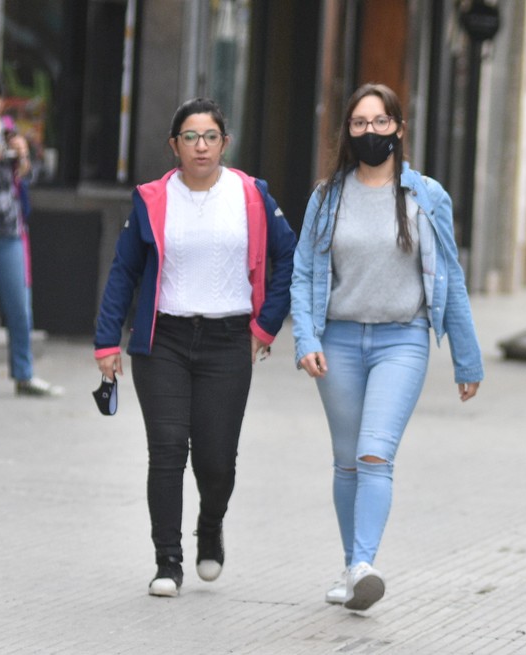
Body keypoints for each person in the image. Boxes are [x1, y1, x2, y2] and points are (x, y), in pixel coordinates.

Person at [290, 83, 483, 612]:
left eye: (380, 122)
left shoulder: (427, 196)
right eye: (359, 123)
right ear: (347, 131)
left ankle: (362, 565)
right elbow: (303, 272)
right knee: (347, 461)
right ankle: (352, 567)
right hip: (338, 341)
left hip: (403, 340)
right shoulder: (327, 197)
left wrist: (467, 357)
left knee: (374, 452)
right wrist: (305, 338)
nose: (370, 131)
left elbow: (450, 278)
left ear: (399, 127)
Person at [93, 98, 296, 597]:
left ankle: (210, 525)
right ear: (174, 145)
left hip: (228, 342)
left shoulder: (251, 195)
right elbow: (123, 271)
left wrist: (266, 326)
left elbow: (290, 257)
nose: (200, 146)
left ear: (225, 143)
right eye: (190, 137)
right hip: (163, 340)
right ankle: (168, 561)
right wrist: (106, 340)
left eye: (210, 137)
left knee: (216, 460)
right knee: (166, 451)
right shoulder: (152, 199)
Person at [0, 67, 61, 397]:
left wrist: (24, 157)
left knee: (19, 306)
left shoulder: (10, 130)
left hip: (9, 230)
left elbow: (29, 176)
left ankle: (24, 373)